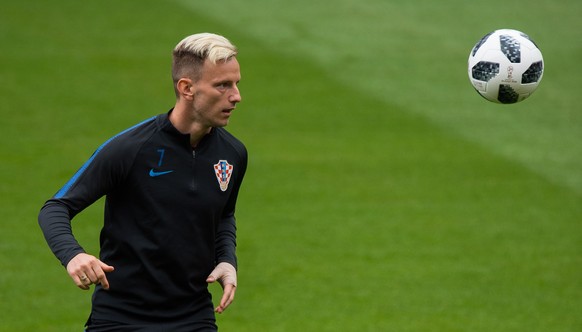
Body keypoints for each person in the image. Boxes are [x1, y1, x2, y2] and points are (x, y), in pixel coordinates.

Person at [38, 32, 247, 331]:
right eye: (223, 85)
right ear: (187, 88)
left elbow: (224, 214)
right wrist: (73, 254)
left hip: (194, 316)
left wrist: (226, 260)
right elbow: (55, 208)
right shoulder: (131, 148)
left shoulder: (232, 153)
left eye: (236, 83)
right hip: (121, 318)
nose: (236, 95)